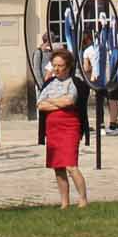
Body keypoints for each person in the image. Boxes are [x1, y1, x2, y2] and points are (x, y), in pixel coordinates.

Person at [38, 47, 89, 207]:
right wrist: (58, 102)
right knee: (58, 167)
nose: (56, 69)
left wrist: (52, 101)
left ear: (68, 66)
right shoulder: (49, 84)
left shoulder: (74, 83)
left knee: (71, 165)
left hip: (69, 126)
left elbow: (70, 101)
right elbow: (40, 104)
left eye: (60, 66)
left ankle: (82, 199)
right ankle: (64, 202)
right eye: (54, 65)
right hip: (53, 128)